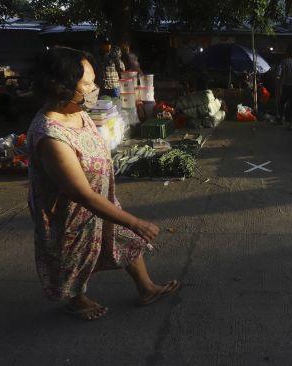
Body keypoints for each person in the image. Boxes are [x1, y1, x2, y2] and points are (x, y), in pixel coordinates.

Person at [27, 47, 179, 321]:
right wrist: (134, 221)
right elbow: (80, 194)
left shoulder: (78, 110)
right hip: (71, 212)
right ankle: (77, 300)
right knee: (73, 257)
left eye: (93, 80)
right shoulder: (50, 135)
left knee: (125, 239)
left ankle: (146, 288)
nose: (94, 88)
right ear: (60, 86)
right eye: (87, 83)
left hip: (102, 199)